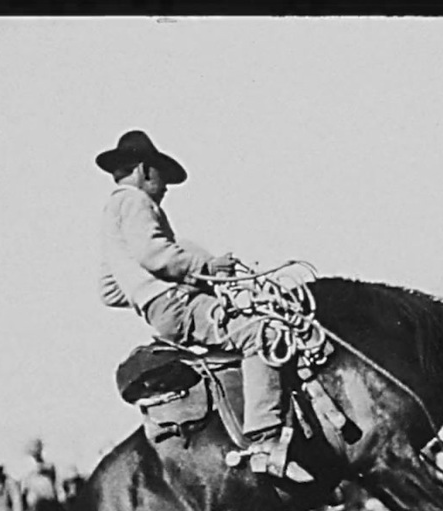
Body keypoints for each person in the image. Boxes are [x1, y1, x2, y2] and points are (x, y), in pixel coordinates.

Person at [93, 130, 310, 483]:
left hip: (160, 311)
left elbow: (109, 290)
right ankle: (265, 441)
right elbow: (154, 255)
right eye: (162, 179)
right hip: (178, 305)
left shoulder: (111, 213)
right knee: (261, 334)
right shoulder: (136, 202)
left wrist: (145, 295)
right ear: (145, 170)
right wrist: (203, 270)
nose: (164, 189)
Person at [19, 438, 61, 511]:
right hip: (34, 499)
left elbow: (52, 476)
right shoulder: (28, 468)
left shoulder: (48, 466)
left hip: (47, 499)